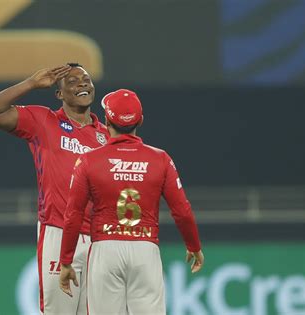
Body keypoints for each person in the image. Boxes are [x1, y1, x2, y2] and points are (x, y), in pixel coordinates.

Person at [0, 63, 109, 315]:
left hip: (100, 239)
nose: (82, 83)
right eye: (71, 81)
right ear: (59, 94)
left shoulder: (106, 135)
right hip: (59, 231)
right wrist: (30, 83)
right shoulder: (43, 120)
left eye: (86, 79)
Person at [59, 88, 204, 315]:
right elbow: (182, 211)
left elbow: (73, 214)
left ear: (106, 120)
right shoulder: (161, 159)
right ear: (141, 120)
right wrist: (193, 245)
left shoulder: (88, 160)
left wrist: (66, 261)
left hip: (105, 250)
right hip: (145, 250)